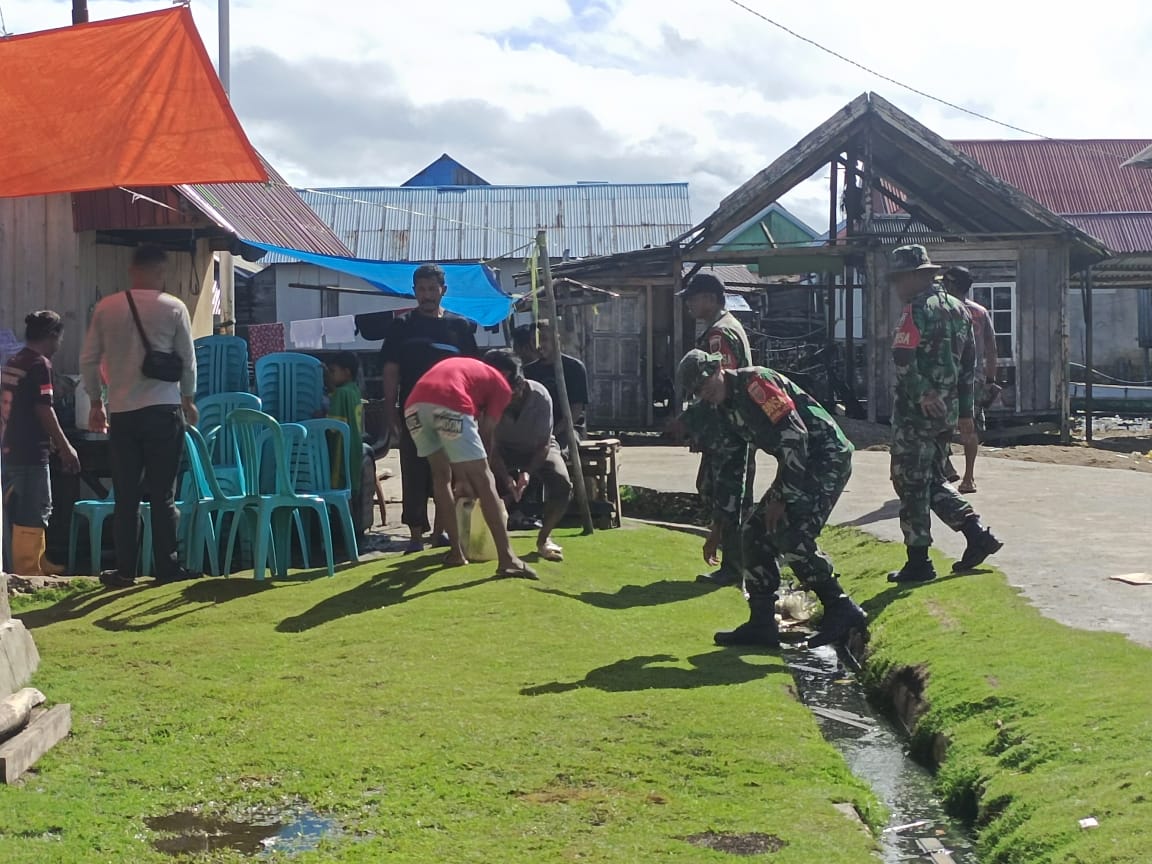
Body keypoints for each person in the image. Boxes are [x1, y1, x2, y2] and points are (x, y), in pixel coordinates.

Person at [677, 349, 867, 649]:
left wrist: (782, 496)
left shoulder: (756, 384)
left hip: (824, 457)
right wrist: (720, 525)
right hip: (797, 464)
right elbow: (731, 467)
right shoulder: (722, 410)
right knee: (753, 532)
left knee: (790, 533)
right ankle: (762, 623)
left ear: (719, 369)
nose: (705, 391)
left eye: (707, 381)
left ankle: (841, 608)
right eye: (698, 390)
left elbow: (796, 436)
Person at [80, 244, 198, 588]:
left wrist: (95, 402)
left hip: (122, 411)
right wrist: (188, 399)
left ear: (132, 270)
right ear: (160, 271)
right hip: (163, 409)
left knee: (126, 494)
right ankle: (167, 566)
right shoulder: (174, 307)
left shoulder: (107, 307)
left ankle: (125, 570)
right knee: (163, 494)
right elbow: (187, 360)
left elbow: (89, 359)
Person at [886, 245, 1002, 583]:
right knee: (932, 478)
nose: (896, 288)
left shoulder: (915, 310)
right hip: (946, 413)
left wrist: (922, 393)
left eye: (898, 279)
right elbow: (970, 367)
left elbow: (902, 358)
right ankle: (976, 533)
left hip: (916, 413)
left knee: (908, 482)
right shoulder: (960, 309)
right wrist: (966, 412)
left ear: (914, 276)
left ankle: (918, 560)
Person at [403, 356, 536, 579]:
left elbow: (457, 439)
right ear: (515, 382)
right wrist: (475, 476)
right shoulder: (501, 387)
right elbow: (486, 433)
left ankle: (456, 552)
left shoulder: (471, 374)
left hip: (413, 409)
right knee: (485, 481)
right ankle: (508, 559)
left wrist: (462, 478)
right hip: (448, 403)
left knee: (440, 477)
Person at [380, 264, 478, 553]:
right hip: (412, 410)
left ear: (443, 291)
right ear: (414, 292)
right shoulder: (402, 326)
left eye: (432, 289)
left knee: (447, 473)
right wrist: (390, 411)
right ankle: (414, 536)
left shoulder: (459, 327)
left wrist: (472, 410)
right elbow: (390, 372)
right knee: (413, 471)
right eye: (421, 289)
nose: (426, 295)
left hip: (451, 411)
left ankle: (440, 532)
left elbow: (471, 372)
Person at [675, 273, 755, 588]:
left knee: (729, 497)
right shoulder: (728, 327)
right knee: (721, 493)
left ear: (709, 297)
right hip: (732, 426)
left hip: (728, 430)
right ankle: (738, 563)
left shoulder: (719, 335)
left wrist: (697, 425)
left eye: (693, 299)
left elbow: (718, 385)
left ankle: (735, 567)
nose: (689, 305)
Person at [1, 311, 80, 578]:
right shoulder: (39, 364)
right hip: (31, 451)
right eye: (60, 338)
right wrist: (65, 446)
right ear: (52, 336)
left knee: (20, 508)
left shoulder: (15, 360)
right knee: (34, 509)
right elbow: (44, 409)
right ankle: (27, 571)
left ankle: (39, 560)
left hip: (11, 447)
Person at [483, 349, 572, 562]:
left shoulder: (541, 396)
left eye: (509, 394)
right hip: (502, 449)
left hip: (537, 447)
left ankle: (544, 539)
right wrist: (505, 478)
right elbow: (491, 448)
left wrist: (527, 474)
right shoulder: (486, 399)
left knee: (562, 483)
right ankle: (483, 539)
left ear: (521, 385)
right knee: (474, 478)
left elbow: (543, 445)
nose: (503, 400)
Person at [942, 266, 1000, 494]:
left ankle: (944, 467)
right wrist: (990, 379)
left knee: (939, 424)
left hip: (944, 377)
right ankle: (968, 477)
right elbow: (992, 349)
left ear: (951, 285)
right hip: (973, 378)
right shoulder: (980, 312)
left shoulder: (941, 310)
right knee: (970, 426)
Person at [512, 321, 589, 443]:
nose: (539, 345)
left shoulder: (574, 368)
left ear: (556, 340)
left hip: (568, 429)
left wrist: (551, 434)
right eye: (534, 341)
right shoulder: (528, 371)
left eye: (544, 339)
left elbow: (575, 411)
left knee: (562, 447)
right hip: (536, 429)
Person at [320, 351, 364, 495]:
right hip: (355, 448)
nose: (330, 375)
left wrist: (319, 417)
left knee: (338, 489)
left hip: (341, 450)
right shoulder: (354, 390)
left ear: (347, 372)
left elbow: (332, 427)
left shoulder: (341, 394)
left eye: (333, 371)